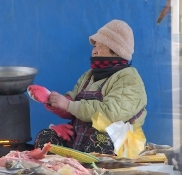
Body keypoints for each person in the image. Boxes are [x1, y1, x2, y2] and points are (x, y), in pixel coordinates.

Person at [29, 19, 147, 156]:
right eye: (94, 46)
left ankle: (89, 174)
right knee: (46, 138)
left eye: (101, 46)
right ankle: (63, 171)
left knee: (98, 141)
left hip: (117, 144)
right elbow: (72, 104)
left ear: (116, 51)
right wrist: (51, 100)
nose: (95, 51)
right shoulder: (88, 76)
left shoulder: (129, 78)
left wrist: (68, 105)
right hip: (80, 139)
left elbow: (110, 114)